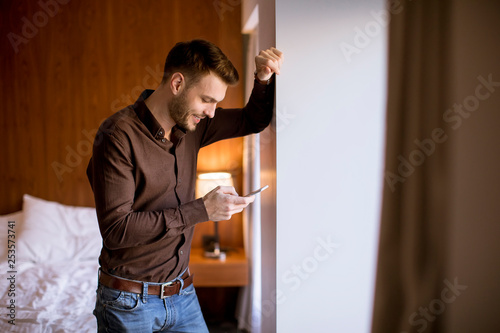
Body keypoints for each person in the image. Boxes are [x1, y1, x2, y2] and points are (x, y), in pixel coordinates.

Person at [86, 39, 283, 332]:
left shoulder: (195, 127)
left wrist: (263, 78)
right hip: (128, 302)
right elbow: (117, 231)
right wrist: (201, 210)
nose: (212, 112)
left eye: (216, 102)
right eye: (207, 100)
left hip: (183, 293)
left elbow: (251, 120)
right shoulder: (116, 136)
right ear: (177, 83)